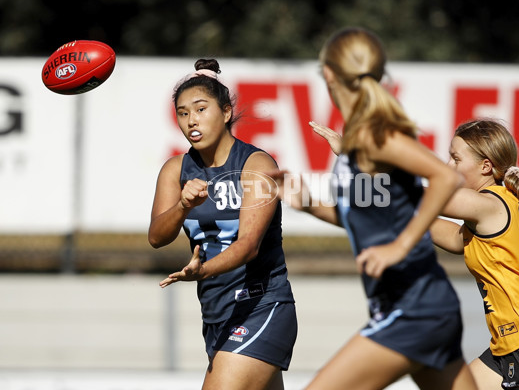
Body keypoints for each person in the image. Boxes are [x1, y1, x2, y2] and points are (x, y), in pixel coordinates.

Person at [273, 27, 477, 390]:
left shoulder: (372, 134)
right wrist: (308, 204)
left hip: (413, 311)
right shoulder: (356, 141)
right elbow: (366, 217)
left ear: (330, 75)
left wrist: (399, 247)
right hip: (423, 309)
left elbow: (446, 178)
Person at [148, 58, 297, 390]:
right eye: (183, 113)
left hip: (261, 305)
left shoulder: (256, 163)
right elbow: (157, 236)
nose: (191, 121)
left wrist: (202, 271)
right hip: (217, 313)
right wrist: (183, 205)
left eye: (200, 109)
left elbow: (249, 245)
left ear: (227, 112)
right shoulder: (176, 169)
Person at [428, 119, 519, 389]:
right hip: (514, 345)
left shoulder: (490, 203)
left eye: (455, 158)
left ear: (485, 166)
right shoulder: (498, 203)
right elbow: (453, 237)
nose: (448, 166)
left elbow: (425, 199)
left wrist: (366, 162)